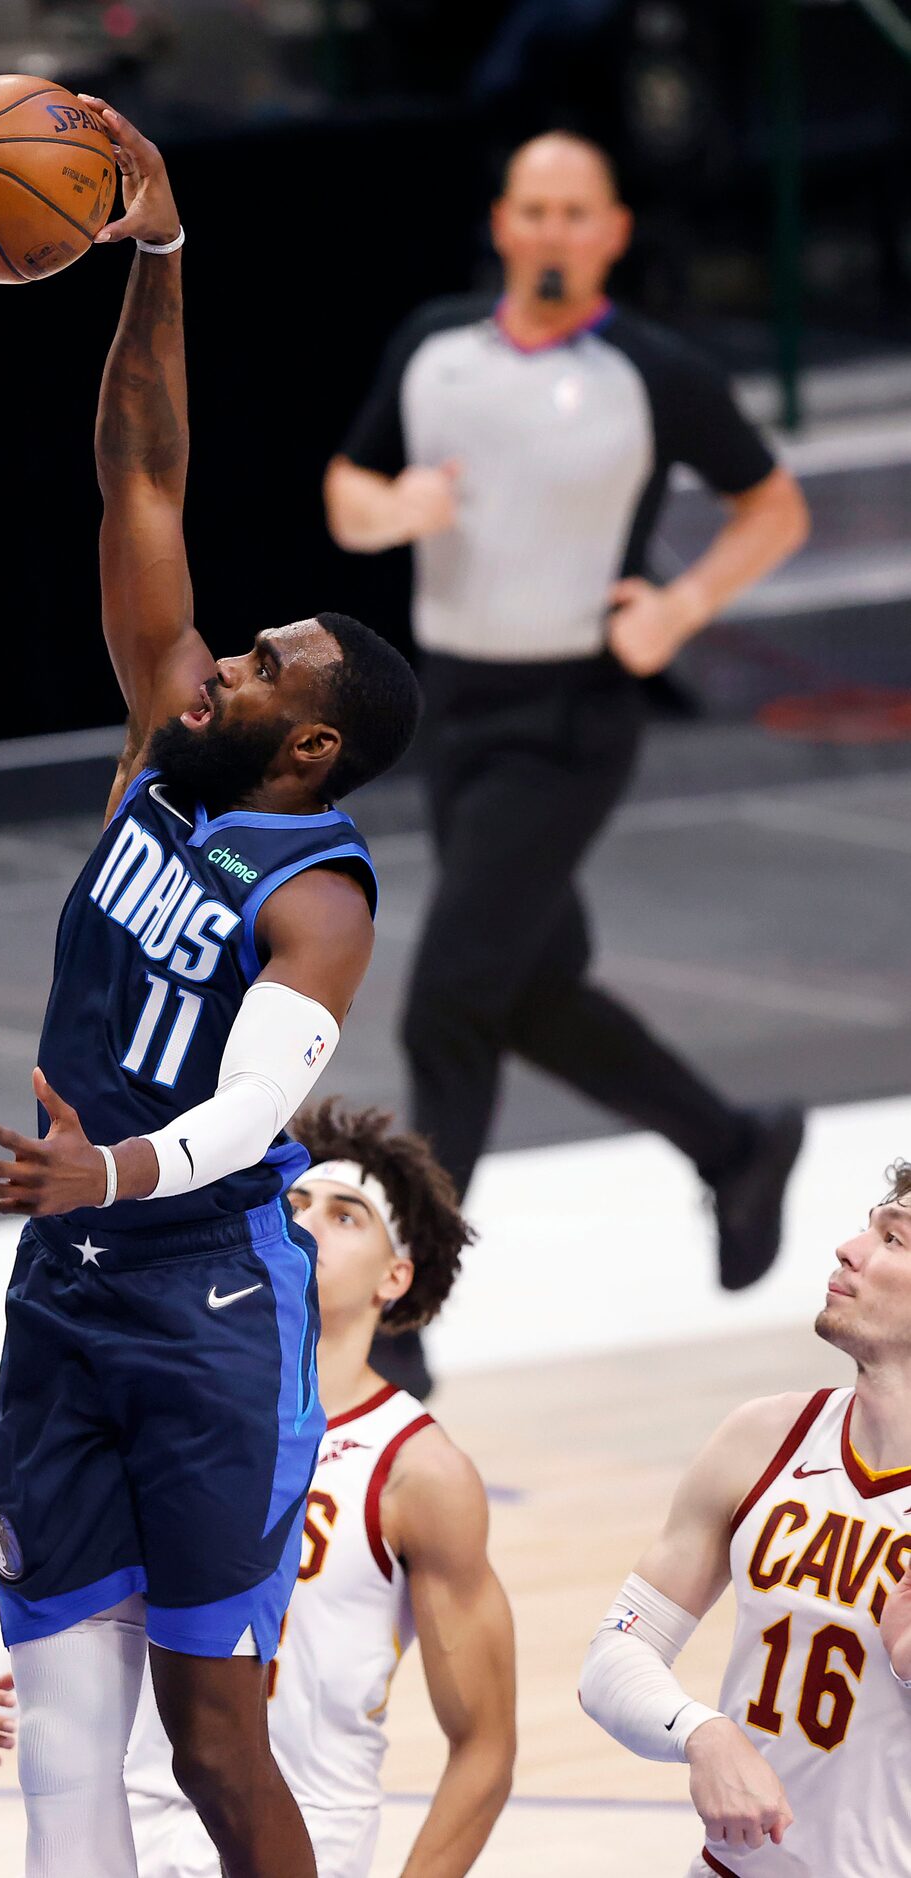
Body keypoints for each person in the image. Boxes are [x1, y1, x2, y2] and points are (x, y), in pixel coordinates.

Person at [0, 98, 423, 1878]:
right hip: (65, 1283)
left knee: (213, 1741)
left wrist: (115, 1169)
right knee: (62, 1738)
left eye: (259, 661)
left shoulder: (323, 892)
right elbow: (140, 473)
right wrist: (157, 249)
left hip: (207, 1304)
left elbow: (251, 1108)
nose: (217, 654)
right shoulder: (163, 746)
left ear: (308, 739)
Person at [325, 132, 811, 1400]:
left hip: (575, 714)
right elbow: (349, 483)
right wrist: (391, 513)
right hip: (459, 709)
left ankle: (401, 1306)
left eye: (573, 212)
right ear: (503, 223)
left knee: (449, 1004)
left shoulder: (652, 371)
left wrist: (684, 606)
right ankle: (735, 1144)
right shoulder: (437, 346)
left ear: (610, 232)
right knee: (527, 993)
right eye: (532, 209)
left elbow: (776, 505)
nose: (550, 230)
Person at [0, 1100, 516, 1878]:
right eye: (295, 1200)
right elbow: (93, 1573)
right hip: (130, 1830)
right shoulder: (177, 1406)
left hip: (296, 1837)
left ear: (395, 1276)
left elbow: (484, 1744)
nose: (306, 1220)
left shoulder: (417, 1470)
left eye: (346, 1215)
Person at [579, 1160, 911, 1876]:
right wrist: (699, 1732)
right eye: (867, 1228)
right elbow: (614, 1655)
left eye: (894, 1241)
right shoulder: (763, 1437)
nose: (849, 1248)